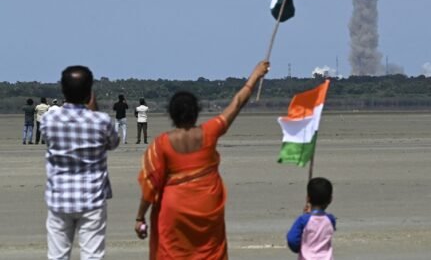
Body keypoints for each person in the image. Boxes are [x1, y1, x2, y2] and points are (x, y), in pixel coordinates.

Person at [135, 60, 269, 259]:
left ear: (171, 114)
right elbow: (238, 102)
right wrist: (255, 75)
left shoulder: (161, 144)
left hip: (174, 209)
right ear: (196, 112)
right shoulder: (209, 132)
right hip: (207, 206)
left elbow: (151, 186)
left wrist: (139, 217)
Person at [41, 66, 120, 259]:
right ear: (89, 92)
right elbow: (113, 143)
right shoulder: (101, 121)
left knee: (57, 255)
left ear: (63, 90)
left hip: (59, 197)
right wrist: (94, 110)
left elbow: (46, 139)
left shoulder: (48, 119)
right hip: (92, 197)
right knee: (93, 255)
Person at [287, 177, 336, 260]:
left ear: (308, 198)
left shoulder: (303, 220)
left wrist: (298, 248)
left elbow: (292, 239)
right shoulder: (331, 220)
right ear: (330, 199)